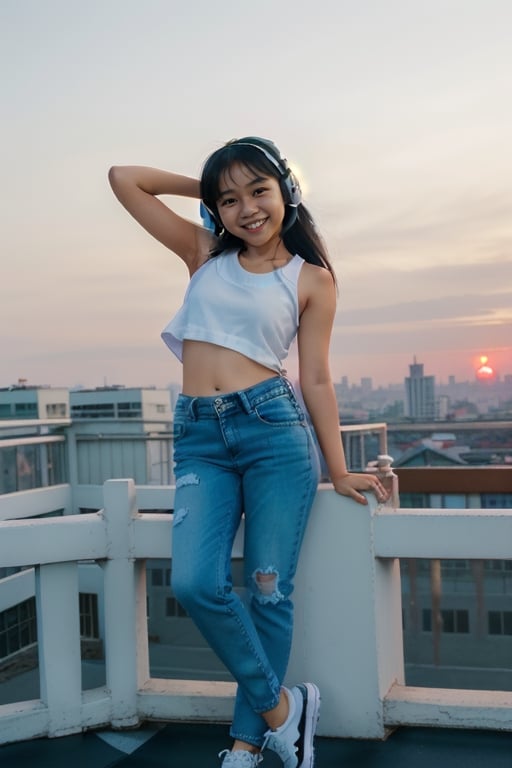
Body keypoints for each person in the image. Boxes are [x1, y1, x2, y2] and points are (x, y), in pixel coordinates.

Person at [109, 137, 387, 768]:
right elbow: (124, 178)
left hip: (274, 434)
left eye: (258, 190)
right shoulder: (204, 252)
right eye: (229, 199)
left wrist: (338, 469)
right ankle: (284, 711)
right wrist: (204, 189)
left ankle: (246, 742)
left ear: (287, 190)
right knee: (196, 581)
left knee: (267, 590)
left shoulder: (312, 279)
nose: (246, 209)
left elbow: (315, 377)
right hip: (201, 436)